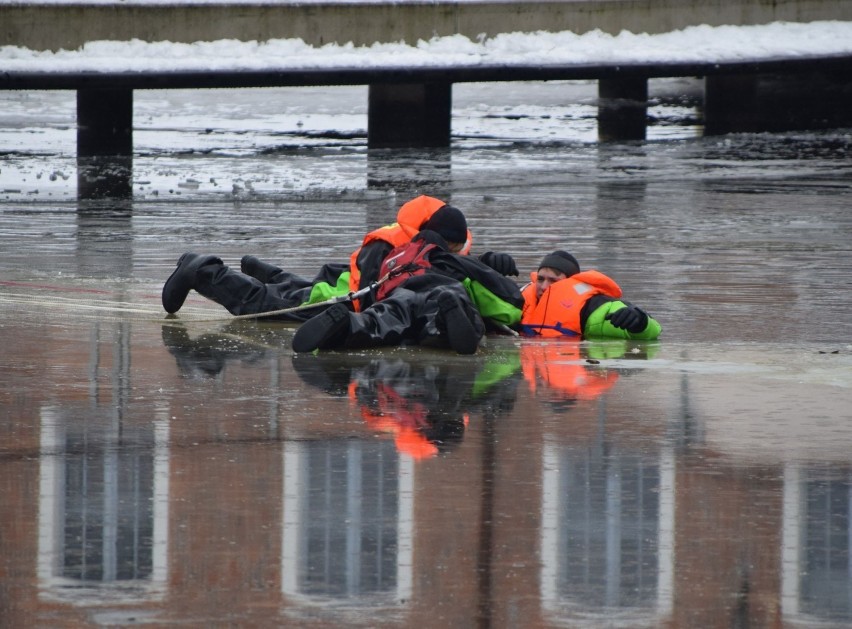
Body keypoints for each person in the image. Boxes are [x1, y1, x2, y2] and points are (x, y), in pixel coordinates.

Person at [160, 195, 474, 320]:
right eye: (452, 247)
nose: (455, 254)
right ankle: (204, 271)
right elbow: (370, 298)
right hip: (336, 298)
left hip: (336, 283)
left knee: (291, 290)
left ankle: (268, 273)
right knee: (261, 305)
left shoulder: (417, 243)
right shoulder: (387, 243)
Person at [291, 228, 524, 354]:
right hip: (441, 291)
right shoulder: (450, 259)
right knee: (439, 326)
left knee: (376, 324)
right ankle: (448, 321)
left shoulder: (396, 258)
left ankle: (349, 324)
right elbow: (506, 299)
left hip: (400, 295)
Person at [518, 250, 661, 340]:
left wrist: (639, 321)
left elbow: (653, 331)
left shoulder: (590, 307)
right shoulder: (519, 300)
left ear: (568, 283)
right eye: (541, 279)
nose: (544, 287)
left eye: (553, 281)